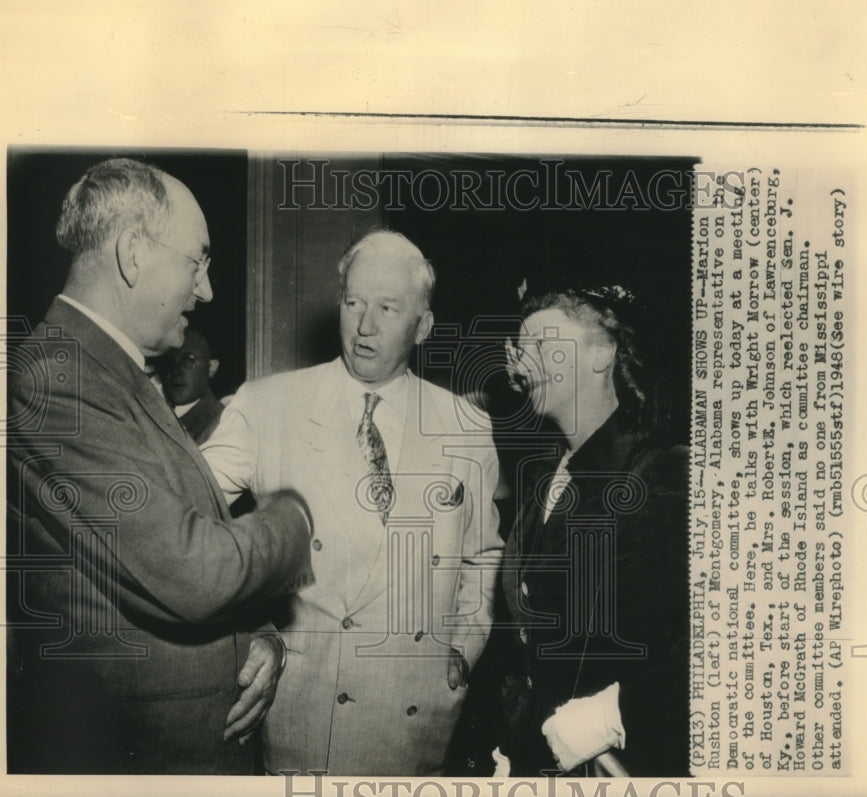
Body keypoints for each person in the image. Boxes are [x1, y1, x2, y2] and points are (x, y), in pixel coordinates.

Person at [6, 157, 315, 774]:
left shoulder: (111, 372)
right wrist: (294, 517)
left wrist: (258, 644)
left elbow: (150, 562)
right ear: (132, 254)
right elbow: (196, 573)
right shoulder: (57, 378)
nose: (207, 290)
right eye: (197, 261)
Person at [201, 229, 504, 775]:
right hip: (305, 720)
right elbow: (183, 526)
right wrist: (256, 632)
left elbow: (482, 555)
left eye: (388, 308)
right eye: (353, 303)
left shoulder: (467, 426)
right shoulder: (269, 404)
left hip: (417, 724)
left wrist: (463, 646)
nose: (365, 326)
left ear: (424, 325)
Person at [497, 285, 690, 776]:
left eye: (542, 345)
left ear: (603, 353)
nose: (522, 365)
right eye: (520, 351)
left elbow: (713, 644)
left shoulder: (662, 470)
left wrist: (614, 715)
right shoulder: (543, 480)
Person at [156, 326, 227, 444]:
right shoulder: (155, 415)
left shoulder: (222, 423)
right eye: (168, 361)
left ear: (211, 368)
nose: (175, 370)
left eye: (187, 361)